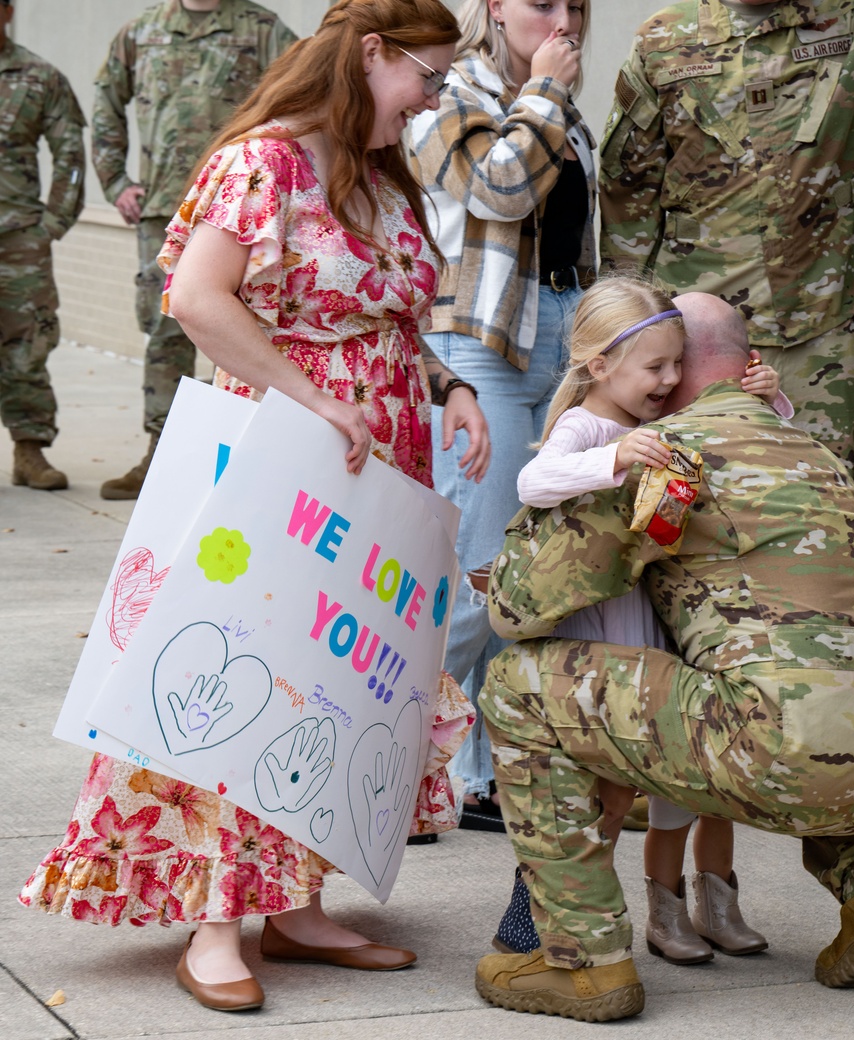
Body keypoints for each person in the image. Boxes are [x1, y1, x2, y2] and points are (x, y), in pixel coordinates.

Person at [20, 0, 489, 1014]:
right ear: (372, 55)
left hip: (377, 467)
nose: (434, 98)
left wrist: (448, 389)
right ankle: (216, 916)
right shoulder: (263, 162)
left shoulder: (376, 172)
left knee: (331, 685)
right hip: (285, 463)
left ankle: (298, 901)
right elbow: (197, 298)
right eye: (429, 76)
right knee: (246, 672)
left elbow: (394, 317)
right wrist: (316, 396)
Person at [474, 291, 854, 1022]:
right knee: (823, 694)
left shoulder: (667, 451)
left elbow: (518, 605)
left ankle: (579, 962)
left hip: (778, 750)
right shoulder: (813, 447)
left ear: (670, 369)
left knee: (516, 684)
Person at [492, 276, 784, 964]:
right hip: (592, 631)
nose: (671, 379)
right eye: (656, 366)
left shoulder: (654, 423)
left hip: (645, 628)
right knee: (591, 797)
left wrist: (769, 400)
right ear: (600, 366)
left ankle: (642, 909)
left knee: (621, 794)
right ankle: (532, 916)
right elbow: (532, 483)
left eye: (677, 364)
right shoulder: (590, 426)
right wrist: (612, 458)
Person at [599, 0, 854, 490]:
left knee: (826, 493)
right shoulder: (663, 42)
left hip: (821, 324)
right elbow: (628, 191)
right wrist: (627, 330)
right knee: (692, 495)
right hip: (699, 331)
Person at [409, 0, 597, 830]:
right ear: (495, 6)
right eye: (543, 3)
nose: (563, 18)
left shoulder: (560, 101)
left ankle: (480, 775)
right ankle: (398, 755)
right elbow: (500, 190)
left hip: (562, 336)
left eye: (577, 5)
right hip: (481, 345)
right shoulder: (447, 92)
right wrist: (547, 96)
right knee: (478, 578)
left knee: (529, 573)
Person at [92, 0, 298, 501]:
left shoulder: (262, 28)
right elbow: (105, 103)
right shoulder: (142, 30)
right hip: (166, 205)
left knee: (247, 328)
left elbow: (302, 98)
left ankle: (247, 453)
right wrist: (115, 180)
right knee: (167, 329)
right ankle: (160, 452)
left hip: (241, 210)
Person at [0, 0, 84, 490]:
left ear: (9, 12)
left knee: (26, 345)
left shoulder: (38, 76)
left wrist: (53, 223)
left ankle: (29, 451)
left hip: (18, 241)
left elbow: (70, 152)